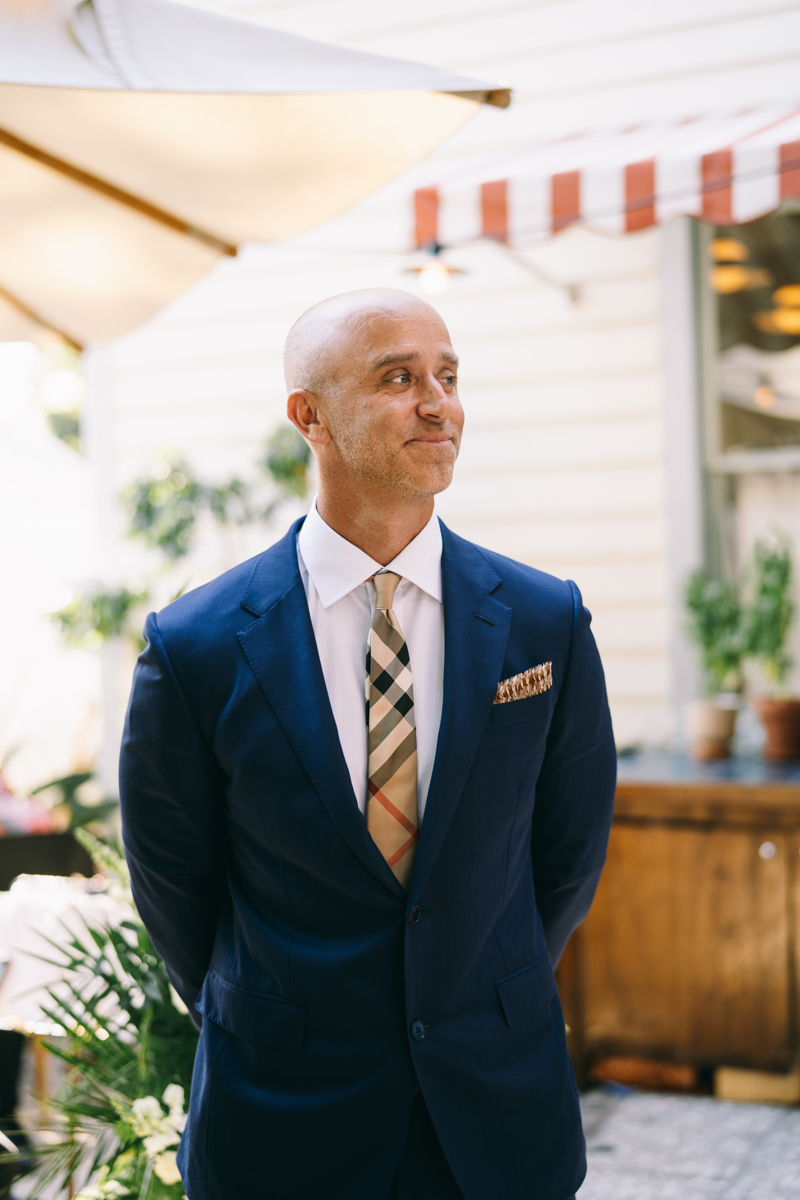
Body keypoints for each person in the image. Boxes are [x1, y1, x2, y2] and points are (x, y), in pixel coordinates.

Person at [119, 289, 616, 1200]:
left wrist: (474, 984)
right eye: (398, 378)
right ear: (310, 416)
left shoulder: (547, 623)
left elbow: (568, 851)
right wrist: (280, 1010)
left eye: (448, 375)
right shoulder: (193, 647)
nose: (438, 402)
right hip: (284, 1118)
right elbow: (173, 885)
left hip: (497, 1112)